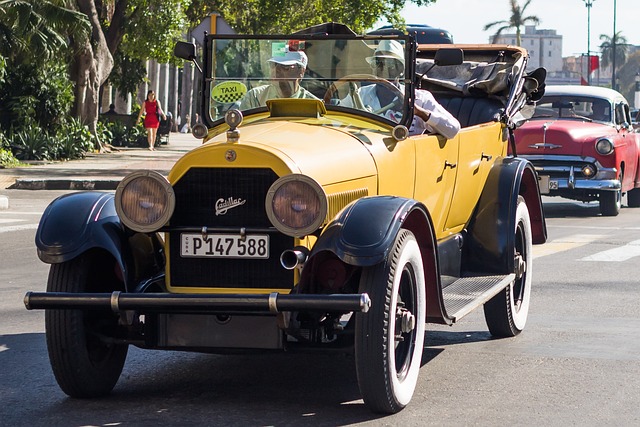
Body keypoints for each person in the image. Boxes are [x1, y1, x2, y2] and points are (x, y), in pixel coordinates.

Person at [341, 40, 460, 139]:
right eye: (378, 63)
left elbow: (453, 129)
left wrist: (419, 112)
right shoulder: (361, 94)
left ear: (401, 70)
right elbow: (335, 118)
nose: (383, 69)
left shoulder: (419, 98)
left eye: (391, 65)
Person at [238, 46, 318, 109]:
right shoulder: (255, 97)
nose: (277, 70)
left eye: (285, 67)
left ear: (301, 72)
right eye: (273, 65)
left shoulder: (313, 104)